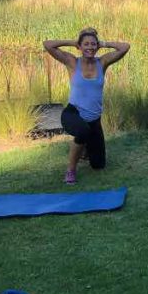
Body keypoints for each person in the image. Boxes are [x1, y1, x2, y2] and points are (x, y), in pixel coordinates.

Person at [43, 28, 129, 184]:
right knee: (82, 131)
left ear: (97, 47)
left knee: (98, 165)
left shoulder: (102, 62)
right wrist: (72, 42)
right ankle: (70, 170)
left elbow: (125, 47)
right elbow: (48, 45)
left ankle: (84, 151)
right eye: (86, 44)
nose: (90, 47)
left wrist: (103, 43)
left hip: (94, 120)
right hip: (73, 114)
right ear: (80, 47)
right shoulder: (72, 62)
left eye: (93, 44)